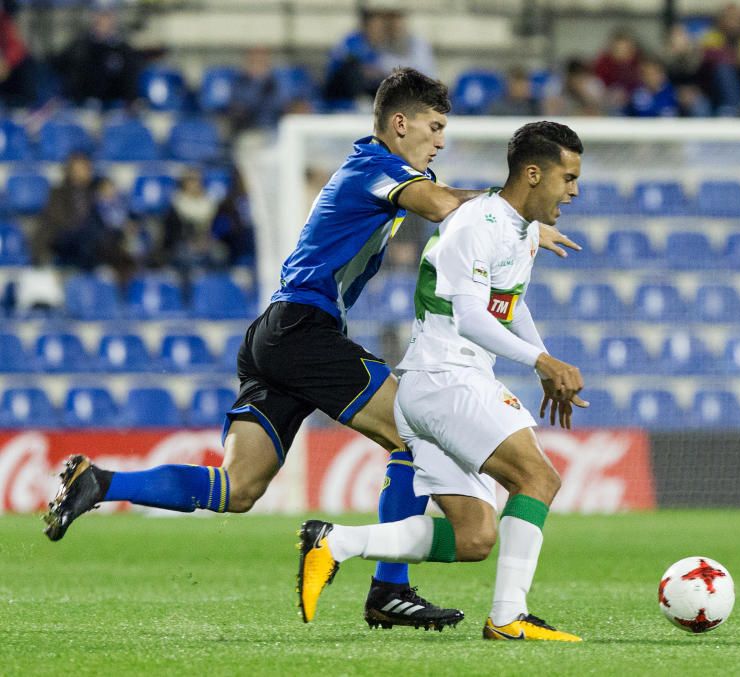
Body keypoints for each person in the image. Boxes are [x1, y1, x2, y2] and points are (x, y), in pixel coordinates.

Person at [43, 68, 579, 632]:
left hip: (274, 334)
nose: (440, 140)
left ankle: (100, 482)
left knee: (239, 488)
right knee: (415, 428)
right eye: (434, 126)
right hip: (304, 329)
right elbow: (447, 205)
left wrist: (512, 228)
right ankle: (389, 590)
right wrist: (515, 213)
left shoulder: (380, 170)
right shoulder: (376, 166)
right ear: (401, 124)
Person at [296, 121, 588, 642]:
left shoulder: (520, 232)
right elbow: (473, 318)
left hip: (444, 384)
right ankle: (507, 619)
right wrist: (542, 364)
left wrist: (541, 355)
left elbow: (507, 308)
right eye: (568, 177)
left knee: (474, 536)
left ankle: (335, 542)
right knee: (538, 480)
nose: (574, 190)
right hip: (446, 379)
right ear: (534, 173)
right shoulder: (477, 225)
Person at [54, 7, 142, 107]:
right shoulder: (79, 46)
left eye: (106, 17)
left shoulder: (123, 49)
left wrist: (131, 100)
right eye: (99, 17)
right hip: (82, 105)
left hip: (114, 106)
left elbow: (130, 77)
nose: (103, 21)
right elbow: (62, 68)